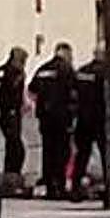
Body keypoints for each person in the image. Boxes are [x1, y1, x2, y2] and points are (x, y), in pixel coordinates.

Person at [28, 42, 76, 199]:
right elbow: (74, 92)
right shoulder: (66, 69)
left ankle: (49, 185)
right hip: (61, 117)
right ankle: (59, 186)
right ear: (66, 53)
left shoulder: (43, 69)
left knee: (48, 151)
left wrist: (40, 105)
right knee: (62, 152)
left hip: (45, 117)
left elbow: (31, 90)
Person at [0, 46, 29, 196]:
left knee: (16, 146)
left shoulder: (20, 74)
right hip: (6, 111)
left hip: (15, 112)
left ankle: (13, 176)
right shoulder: (3, 72)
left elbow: (21, 91)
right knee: (14, 145)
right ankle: (9, 179)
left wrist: (25, 103)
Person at [71, 46, 108, 202]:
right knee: (106, 154)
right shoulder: (106, 72)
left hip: (82, 118)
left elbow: (73, 93)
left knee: (82, 155)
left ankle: (75, 187)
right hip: (100, 118)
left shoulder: (81, 71)